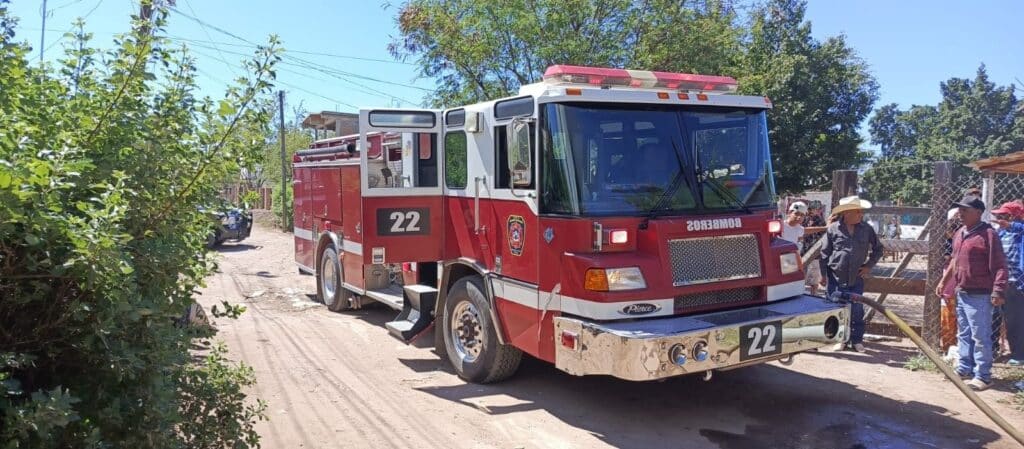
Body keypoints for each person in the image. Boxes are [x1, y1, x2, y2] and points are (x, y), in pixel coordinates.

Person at [936, 195, 1007, 391]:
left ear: (978, 212)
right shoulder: (960, 233)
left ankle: (983, 375)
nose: (960, 213)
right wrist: (944, 281)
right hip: (962, 291)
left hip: (981, 293)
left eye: (965, 210)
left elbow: (1000, 265)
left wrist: (998, 290)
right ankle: (964, 368)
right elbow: (955, 260)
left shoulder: (988, 235)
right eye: (960, 210)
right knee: (964, 333)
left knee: (980, 335)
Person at [819, 195, 884, 352]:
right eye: (858, 211)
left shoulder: (866, 229)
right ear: (847, 213)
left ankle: (856, 340)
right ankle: (837, 339)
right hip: (835, 275)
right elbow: (824, 253)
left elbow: (878, 249)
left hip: (856, 276)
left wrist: (869, 266)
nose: (861, 214)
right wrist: (823, 275)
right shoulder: (833, 229)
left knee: (856, 309)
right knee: (836, 308)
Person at [991, 201, 1024, 366]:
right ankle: (992, 351)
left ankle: (1018, 354)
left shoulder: (1020, 232)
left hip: (1018, 284)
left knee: (1016, 320)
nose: (998, 218)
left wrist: (1010, 225)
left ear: (1013, 216)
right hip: (1001, 283)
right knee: (995, 316)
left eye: (1002, 215)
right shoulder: (1002, 233)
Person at [802, 202, 828, 295]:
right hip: (805, 250)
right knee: (802, 274)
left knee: (814, 278)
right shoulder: (805, 219)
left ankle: (814, 294)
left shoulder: (820, 220)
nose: (811, 211)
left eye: (813, 209)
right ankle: (801, 293)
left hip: (815, 252)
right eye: (810, 209)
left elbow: (823, 236)